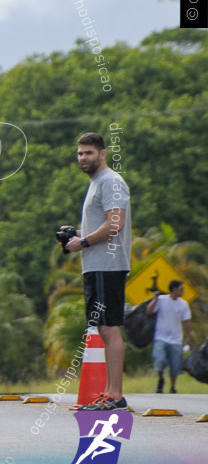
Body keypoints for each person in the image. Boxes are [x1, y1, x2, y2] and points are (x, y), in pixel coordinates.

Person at [63, 132, 131, 411]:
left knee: (109, 328)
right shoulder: (96, 184)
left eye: (89, 153)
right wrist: (75, 235)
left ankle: (115, 395)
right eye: (80, 153)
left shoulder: (111, 182)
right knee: (104, 327)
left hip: (107, 264)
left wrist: (85, 241)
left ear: (102, 153)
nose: (83, 158)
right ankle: (109, 393)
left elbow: (115, 224)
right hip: (96, 265)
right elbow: (102, 225)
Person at [145, 280, 193, 394]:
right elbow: (149, 311)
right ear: (174, 289)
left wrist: (189, 337)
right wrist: (155, 299)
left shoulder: (183, 304)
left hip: (176, 338)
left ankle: (172, 386)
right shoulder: (162, 300)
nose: (182, 291)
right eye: (181, 289)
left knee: (175, 363)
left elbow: (186, 322)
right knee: (159, 359)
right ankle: (161, 379)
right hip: (161, 337)